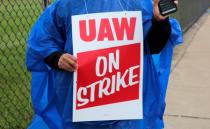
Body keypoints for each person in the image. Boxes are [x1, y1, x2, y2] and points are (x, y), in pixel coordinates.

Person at [26, 0, 183, 129]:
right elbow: (42, 39)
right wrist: (57, 57)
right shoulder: (67, 4)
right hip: (78, 105)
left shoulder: (138, 4)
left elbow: (154, 46)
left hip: (125, 108)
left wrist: (159, 20)